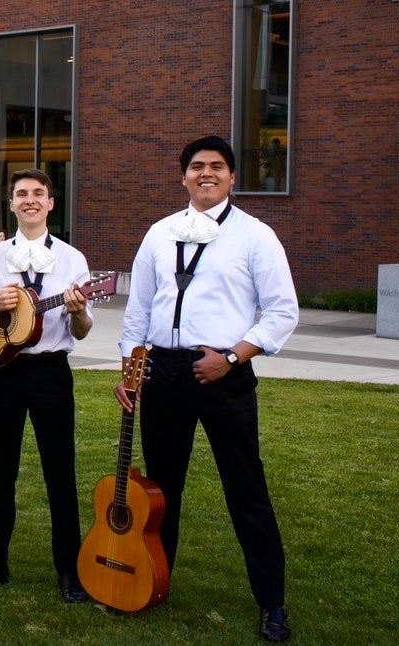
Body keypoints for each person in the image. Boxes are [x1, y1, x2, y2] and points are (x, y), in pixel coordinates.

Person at [115, 136, 298, 642]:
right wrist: (131, 371)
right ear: (183, 176)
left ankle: (272, 603)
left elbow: (283, 311)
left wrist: (234, 357)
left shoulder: (256, 236)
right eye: (196, 166)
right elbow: (139, 311)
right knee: (160, 493)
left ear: (233, 177)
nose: (206, 173)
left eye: (217, 166)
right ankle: (155, 582)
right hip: (164, 374)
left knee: (246, 489)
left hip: (223, 373)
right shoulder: (159, 233)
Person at [0, 168, 93, 604]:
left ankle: (70, 570)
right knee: (1, 469)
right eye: (21, 193)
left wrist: (79, 310)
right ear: (11, 204)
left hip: (50, 373)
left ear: (50, 203)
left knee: (60, 472)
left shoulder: (72, 260)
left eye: (38, 193)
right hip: (3, 371)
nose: (29, 200)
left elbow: (81, 331)